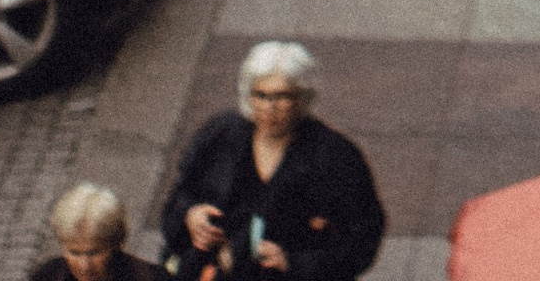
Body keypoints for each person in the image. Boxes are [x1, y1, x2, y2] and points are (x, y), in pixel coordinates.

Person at [161, 42, 383, 281]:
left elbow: (364, 236)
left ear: (302, 97)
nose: (270, 107)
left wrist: (295, 263)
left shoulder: (335, 156)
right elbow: (179, 198)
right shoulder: (220, 135)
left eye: (282, 96)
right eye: (261, 95)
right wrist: (190, 215)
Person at [24, 178, 160, 281]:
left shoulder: (151, 277)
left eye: (94, 253)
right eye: (74, 253)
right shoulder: (48, 275)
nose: (84, 266)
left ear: (116, 244)